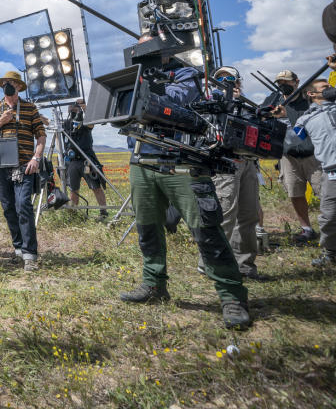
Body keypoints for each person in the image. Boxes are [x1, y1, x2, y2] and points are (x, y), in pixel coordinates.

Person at [121, 57, 250, 330]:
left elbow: (179, 99)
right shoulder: (131, 79)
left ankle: (231, 296)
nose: (140, 56)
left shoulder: (185, 74)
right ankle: (154, 283)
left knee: (206, 229)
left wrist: (147, 88)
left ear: (163, 51)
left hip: (181, 162)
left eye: (148, 49)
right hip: (141, 162)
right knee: (147, 229)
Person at [0, 71, 46, 272]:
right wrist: (0, 121)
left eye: (12, 83)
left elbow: (41, 136)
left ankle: (30, 255)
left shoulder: (29, 108)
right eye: (5, 83)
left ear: (19, 86)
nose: (8, 85)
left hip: (24, 165)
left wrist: (37, 158)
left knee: (23, 206)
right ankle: (18, 248)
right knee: (9, 208)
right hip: (0, 166)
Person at [208, 67, 263, 280]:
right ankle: (215, 265)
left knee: (249, 216)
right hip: (226, 163)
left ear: (238, 82)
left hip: (249, 162)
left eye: (230, 79)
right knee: (225, 214)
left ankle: (245, 265)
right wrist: (227, 101)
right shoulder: (213, 103)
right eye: (220, 79)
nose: (226, 82)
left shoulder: (248, 106)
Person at [267, 70, 323, 242]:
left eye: (287, 81)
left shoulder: (308, 98)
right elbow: (262, 113)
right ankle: (306, 229)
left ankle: (330, 228)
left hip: (313, 154)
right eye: (279, 82)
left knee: (324, 192)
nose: (283, 85)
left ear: (296, 82)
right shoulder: (274, 98)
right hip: (288, 156)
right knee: (295, 192)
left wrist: (287, 115)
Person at [295, 78, 336, 267]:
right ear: (311, 94)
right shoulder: (305, 120)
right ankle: (331, 254)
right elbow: (292, 137)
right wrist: (276, 117)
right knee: (329, 216)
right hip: (330, 171)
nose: (330, 89)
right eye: (325, 88)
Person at [61, 98, 108, 220]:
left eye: (75, 106)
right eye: (70, 107)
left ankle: (104, 213)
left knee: (95, 186)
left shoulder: (85, 121)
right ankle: (73, 216)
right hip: (72, 161)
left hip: (86, 160)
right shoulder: (65, 124)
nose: (72, 108)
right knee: (73, 190)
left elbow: (92, 123)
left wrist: (85, 108)